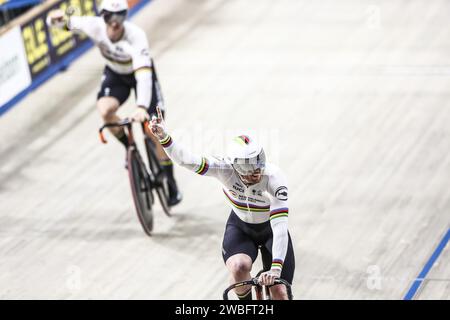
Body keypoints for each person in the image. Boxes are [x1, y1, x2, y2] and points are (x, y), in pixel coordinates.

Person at [149, 107, 295, 300]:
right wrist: (164, 137)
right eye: (246, 166)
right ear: (233, 164)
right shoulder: (224, 169)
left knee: (279, 290)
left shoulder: (274, 178)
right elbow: (188, 161)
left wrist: (275, 269)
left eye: (258, 163)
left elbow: (279, 226)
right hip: (241, 227)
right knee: (238, 267)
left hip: (270, 229)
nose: (255, 172)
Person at [46, 0, 182, 206]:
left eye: (120, 17)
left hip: (140, 74)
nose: (115, 23)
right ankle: (130, 150)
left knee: (154, 130)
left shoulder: (136, 37)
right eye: (110, 17)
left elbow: (144, 78)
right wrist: (52, 19)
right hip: (115, 73)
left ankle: (170, 181)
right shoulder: (94, 25)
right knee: (105, 111)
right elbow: (62, 24)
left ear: (125, 18)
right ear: (103, 17)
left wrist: (141, 108)